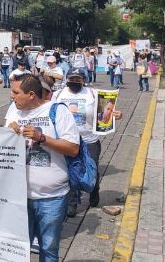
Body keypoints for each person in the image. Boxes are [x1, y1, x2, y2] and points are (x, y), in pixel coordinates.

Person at [0, 74, 80, 262]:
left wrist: (41, 138)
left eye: (15, 93)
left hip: (52, 196)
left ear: (31, 94)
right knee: (19, 244)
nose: (11, 97)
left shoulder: (58, 111)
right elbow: (2, 145)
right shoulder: (13, 110)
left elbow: (73, 149)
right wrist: (8, 134)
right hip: (18, 195)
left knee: (49, 246)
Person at [52, 69, 121, 218]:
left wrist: (116, 115)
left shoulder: (92, 94)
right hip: (68, 141)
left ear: (84, 80)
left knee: (92, 170)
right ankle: (72, 203)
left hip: (89, 141)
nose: (75, 82)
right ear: (66, 79)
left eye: (78, 79)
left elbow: (107, 110)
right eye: (72, 78)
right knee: (70, 172)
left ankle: (94, 189)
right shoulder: (58, 95)